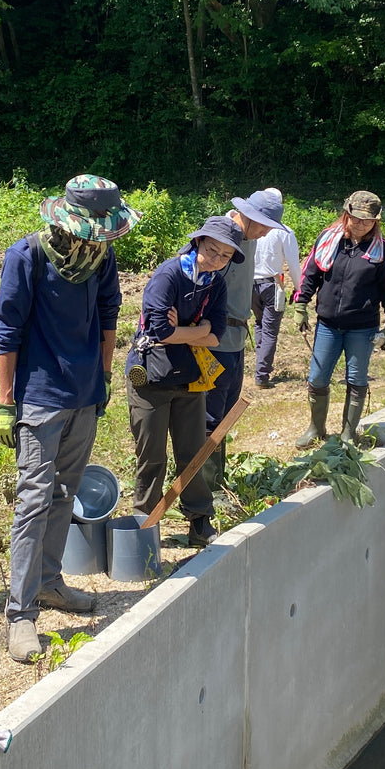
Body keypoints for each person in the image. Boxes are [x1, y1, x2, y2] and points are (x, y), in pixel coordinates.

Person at [0, 175, 140, 664]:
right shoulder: (28, 256)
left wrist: (102, 377)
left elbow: (109, 312)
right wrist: (4, 401)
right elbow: (8, 329)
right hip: (38, 397)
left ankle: (51, 582)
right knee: (33, 499)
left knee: (64, 492)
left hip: (84, 395)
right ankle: (20, 614)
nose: (101, 239)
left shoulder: (101, 256)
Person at [127, 216, 239, 549]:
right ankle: (145, 528)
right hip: (151, 378)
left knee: (193, 453)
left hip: (190, 377)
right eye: (211, 250)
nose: (216, 260)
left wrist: (188, 332)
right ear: (197, 243)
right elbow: (159, 332)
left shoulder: (215, 284)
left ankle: (200, 524)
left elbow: (217, 336)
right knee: (152, 456)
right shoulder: (168, 275)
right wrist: (198, 329)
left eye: (225, 256)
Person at [292, 191, 385, 448]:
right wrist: (301, 304)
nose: (361, 224)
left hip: (362, 328)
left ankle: (348, 433)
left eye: (367, 220)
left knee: (356, 378)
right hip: (328, 325)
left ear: (376, 221)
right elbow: (311, 273)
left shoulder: (381, 251)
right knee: (317, 378)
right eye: (355, 217)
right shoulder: (329, 240)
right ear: (346, 214)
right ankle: (316, 428)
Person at [202, 189, 281, 486]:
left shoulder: (249, 239)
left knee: (224, 415)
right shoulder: (220, 238)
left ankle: (215, 480)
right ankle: (205, 488)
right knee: (210, 417)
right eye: (263, 225)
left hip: (236, 339)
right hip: (215, 342)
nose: (265, 233)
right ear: (248, 216)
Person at [250, 190, 302, 390]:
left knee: (259, 323)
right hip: (272, 285)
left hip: (251, 285)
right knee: (270, 331)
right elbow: (294, 265)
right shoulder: (284, 232)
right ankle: (262, 375)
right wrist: (299, 290)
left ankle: (260, 364)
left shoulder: (252, 229)